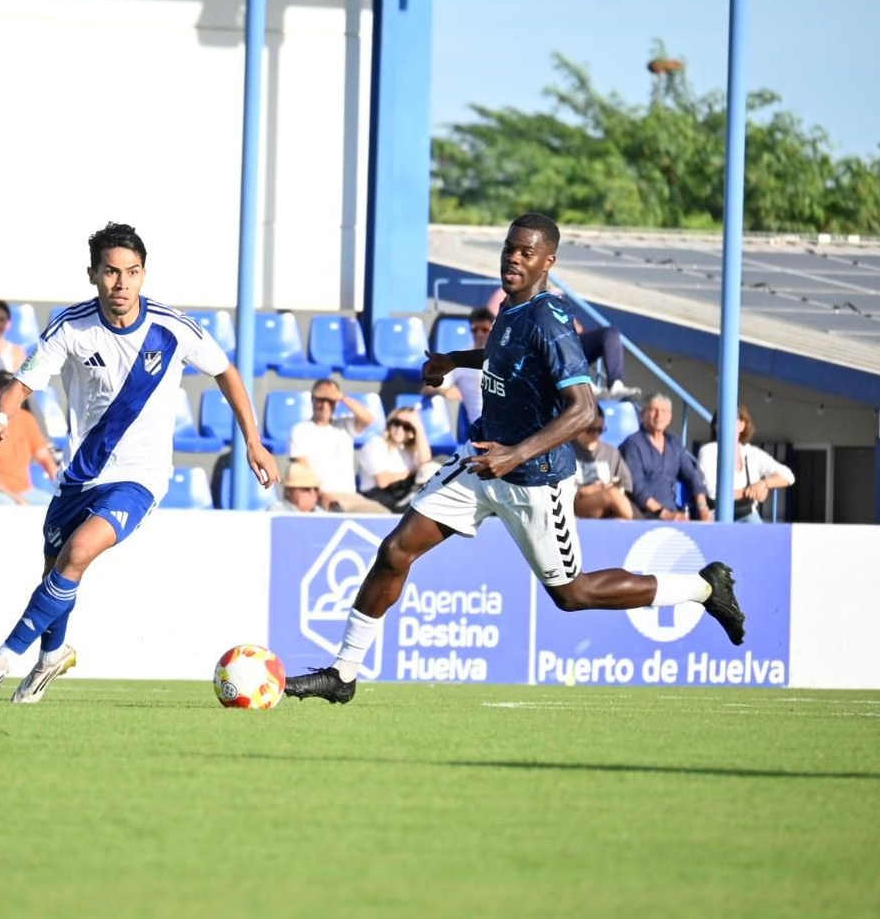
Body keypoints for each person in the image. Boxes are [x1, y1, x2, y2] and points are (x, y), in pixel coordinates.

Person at [284, 213, 744, 704]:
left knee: (573, 594)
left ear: (549, 261)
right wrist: (453, 361)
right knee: (396, 551)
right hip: (483, 459)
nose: (514, 259)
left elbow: (584, 409)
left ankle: (702, 588)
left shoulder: (550, 319)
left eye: (527, 252)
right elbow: (505, 357)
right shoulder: (510, 306)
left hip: (535, 478)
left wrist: (516, 454)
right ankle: (343, 673)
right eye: (510, 248)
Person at [0, 222, 278, 704]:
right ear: (93, 274)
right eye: (111, 272)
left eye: (132, 272)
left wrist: (253, 443)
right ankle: (52, 656)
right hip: (80, 475)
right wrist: (1, 417)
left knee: (78, 552)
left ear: (143, 274)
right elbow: (22, 383)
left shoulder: (172, 327)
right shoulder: (71, 326)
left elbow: (227, 372)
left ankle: (4, 657)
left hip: (140, 478)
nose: (122, 283)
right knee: (58, 570)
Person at [488, 285, 637, 399]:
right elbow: (494, 330)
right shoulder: (506, 295)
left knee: (609, 333)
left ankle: (615, 384)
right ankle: (584, 385)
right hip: (531, 352)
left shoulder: (553, 294)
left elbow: (571, 324)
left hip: (568, 344)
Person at [287, 378, 382, 514]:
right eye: (321, 399)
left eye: (330, 400)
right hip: (320, 496)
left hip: (350, 496)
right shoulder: (300, 430)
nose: (325, 405)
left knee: (383, 515)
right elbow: (303, 469)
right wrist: (319, 494)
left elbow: (368, 418)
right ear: (313, 400)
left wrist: (342, 397)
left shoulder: (344, 425)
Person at [0, 370, 56, 505]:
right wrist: (15, 498)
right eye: (2, 389)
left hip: (25, 490)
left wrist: (61, 485)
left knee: (56, 508)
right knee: (6, 505)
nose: (8, 394)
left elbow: (43, 456)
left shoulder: (27, 418)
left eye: (11, 389)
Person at [696, 404, 795, 523]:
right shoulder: (708, 451)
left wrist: (764, 483)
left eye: (732, 419)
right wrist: (752, 491)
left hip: (748, 515)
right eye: (721, 420)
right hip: (716, 514)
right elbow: (713, 493)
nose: (727, 423)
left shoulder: (751, 453)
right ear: (715, 427)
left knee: (760, 531)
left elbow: (788, 476)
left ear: (742, 425)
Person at [620, 394, 710, 521]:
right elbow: (637, 487)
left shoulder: (674, 442)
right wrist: (666, 514)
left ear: (670, 417)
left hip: (672, 512)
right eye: (654, 410)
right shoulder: (633, 444)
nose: (659, 416)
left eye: (664, 411)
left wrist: (703, 508)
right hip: (643, 516)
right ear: (643, 414)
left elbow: (691, 475)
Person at [424, 306, 493, 443]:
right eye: (475, 330)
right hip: (483, 431)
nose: (479, 334)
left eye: (484, 330)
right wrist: (445, 391)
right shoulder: (460, 359)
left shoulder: (505, 355)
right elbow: (428, 387)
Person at [355, 407, 435, 513]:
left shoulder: (408, 449)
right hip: (377, 496)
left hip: (400, 492)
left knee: (438, 463)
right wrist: (412, 472)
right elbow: (382, 481)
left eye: (407, 426)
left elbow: (426, 467)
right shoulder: (376, 443)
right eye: (396, 423)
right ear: (389, 424)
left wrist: (419, 430)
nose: (399, 429)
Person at [571, 414, 633, 519]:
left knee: (620, 513)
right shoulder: (568, 451)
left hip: (610, 504)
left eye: (600, 430)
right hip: (577, 504)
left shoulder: (611, 452)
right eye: (591, 430)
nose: (596, 434)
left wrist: (611, 487)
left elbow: (626, 484)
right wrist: (586, 490)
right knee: (612, 494)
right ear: (579, 427)